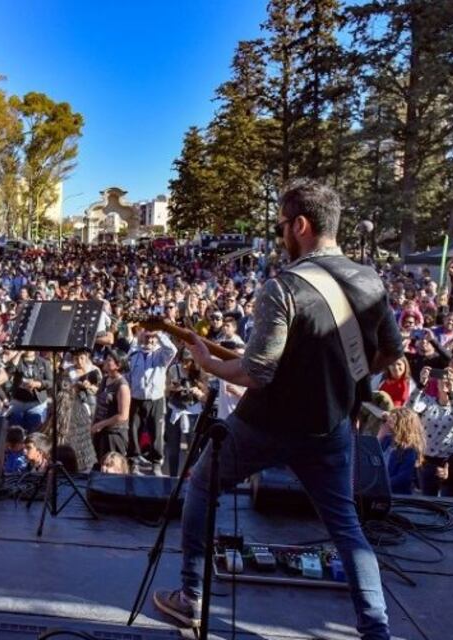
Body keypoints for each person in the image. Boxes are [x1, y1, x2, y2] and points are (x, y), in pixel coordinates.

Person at [152, 179, 398, 640]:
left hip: (265, 424)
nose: (281, 233)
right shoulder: (370, 280)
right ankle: (376, 629)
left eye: (283, 225)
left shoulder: (281, 287)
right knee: (346, 527)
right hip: (330, 426)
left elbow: (258, 374)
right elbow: (389, 351)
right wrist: (343, 379)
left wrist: (208, 362)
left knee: (203, 486)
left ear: (301, 225)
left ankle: (191, 598)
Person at [409, 366, 453, 496]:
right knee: (428, 499)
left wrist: (452, 392)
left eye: (450, 379)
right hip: (427, 461)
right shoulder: (428, 402)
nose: (445, 381)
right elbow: (410, 408)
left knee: (447, 499)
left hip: (449, 461)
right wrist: (421, 384)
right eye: (442, 378)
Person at [126, 327, 178, 476]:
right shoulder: (135, 354)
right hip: (136, 398)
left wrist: (159, 333)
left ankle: (156, 463)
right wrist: (139, 335)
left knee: (157, 433)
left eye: (152, 338)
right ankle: (134, 462)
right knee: (134, 432)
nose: (149, 340)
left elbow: (172, 350)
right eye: (147, 337)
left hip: (156, 399)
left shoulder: (161, 355)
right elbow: (127, 368)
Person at [90, 350, 131, 464]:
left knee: (112, 466)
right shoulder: (105, 379)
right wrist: (94, 424)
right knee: (101, 464)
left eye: (109, 360)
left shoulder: (122, 386)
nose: (105, 362)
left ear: (118, 365)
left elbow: (123, 415)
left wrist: (101, 424)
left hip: (114, 434)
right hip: (100, 431)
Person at [377, 407, 426, 495]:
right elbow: (372, 455)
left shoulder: (410, 450)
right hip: (381, 490)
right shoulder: (387, 440)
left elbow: (404, 477)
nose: (388, 424)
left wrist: (382, 485)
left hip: (397, 494)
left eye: (391, 422)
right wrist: (380, 435)